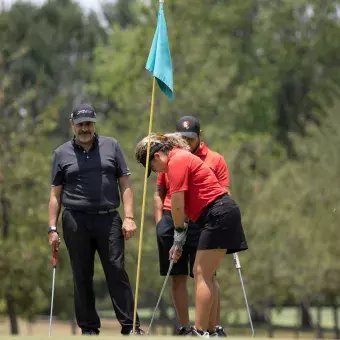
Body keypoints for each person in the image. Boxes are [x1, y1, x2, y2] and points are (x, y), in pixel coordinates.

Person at [135, 133, 248, 337]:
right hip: (220, 213)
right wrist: (178, 241)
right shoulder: (181, 157)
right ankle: (210, 331)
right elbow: (185, 207)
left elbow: (177, 203)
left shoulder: (176, 161)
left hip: (218, 213)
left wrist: (178, 234)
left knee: (200, 273)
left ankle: (200, 331)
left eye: (152, 167)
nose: (156, 171)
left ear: (158, 156)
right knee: (206, 274)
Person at [48, 104, 144, 336]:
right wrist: (52, 228)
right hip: (75, 220)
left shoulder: (112, 146)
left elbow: (126, 185)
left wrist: (129, 217)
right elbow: (55, 195)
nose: (85, 128)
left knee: (117, 270)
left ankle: (130, 327)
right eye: (80, 124)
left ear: (94, 124)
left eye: (89, 124)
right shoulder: (61, 153)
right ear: (72, 125)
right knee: (82, 274)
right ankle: (89, 328)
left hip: (108, 219)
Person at [154, 117, 230, 336]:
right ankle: (184, 328)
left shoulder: (215, 159)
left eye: (191, 138)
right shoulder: (168, 158)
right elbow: (160, 193)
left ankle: (211, 327)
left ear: (200, 135)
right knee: (176, 275)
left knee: (205, 275)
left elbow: (223, 192)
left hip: (203, 219)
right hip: (172, 218)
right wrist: (160, 222)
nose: (186, 142)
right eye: (182, 138)